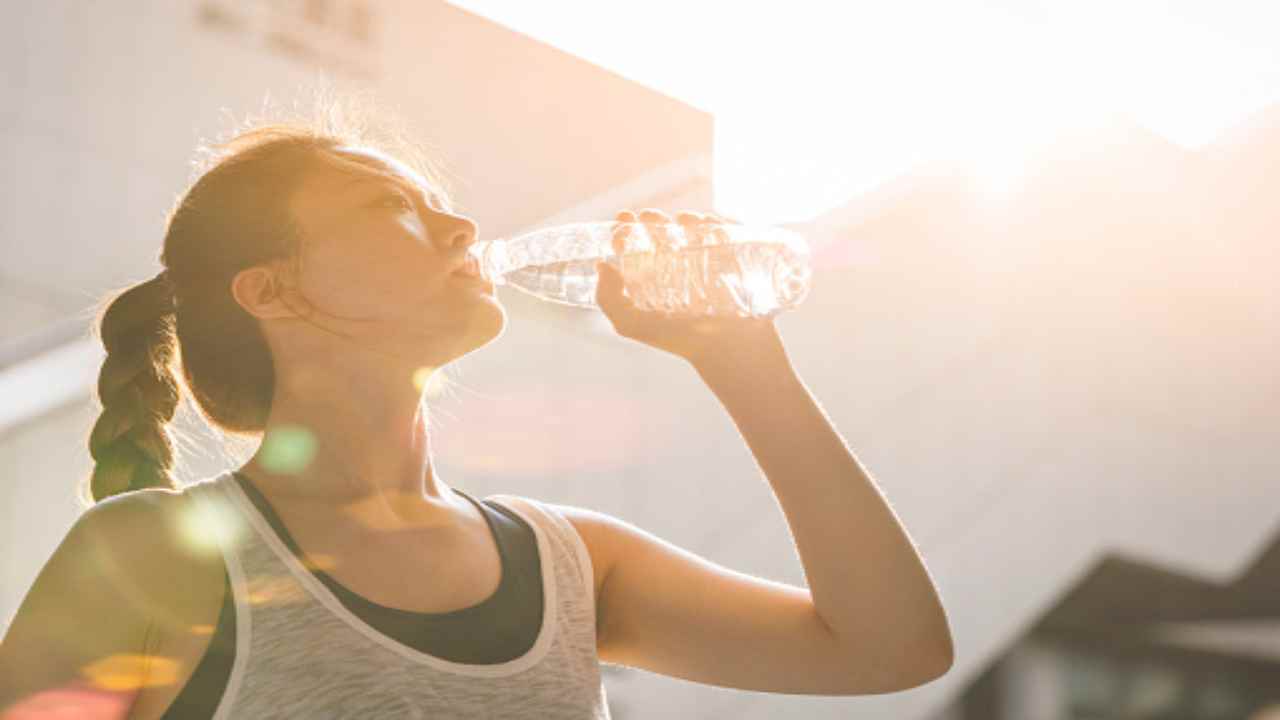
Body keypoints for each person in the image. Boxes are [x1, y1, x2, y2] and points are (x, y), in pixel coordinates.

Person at [0, 111, 954, 719]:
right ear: (273, 291)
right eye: (395, 208)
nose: (462, 230)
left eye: (445, 207)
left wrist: (744, 364)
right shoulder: (155, 553)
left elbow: (890, 650)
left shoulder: (571, 564)